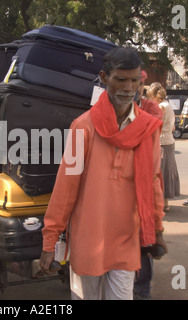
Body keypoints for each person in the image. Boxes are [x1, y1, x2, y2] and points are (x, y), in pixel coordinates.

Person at [40, 47, 167, 300]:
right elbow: (65, 189)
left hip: (126, 239)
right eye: (121, 79)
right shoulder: (82, 127)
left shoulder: (147, 128)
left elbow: (153, 182)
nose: (129, 88)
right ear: (104, 77)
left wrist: (157, 230)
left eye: (135, 80)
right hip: (88, 239)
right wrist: (50, 241)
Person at [133, 71, 163, 300]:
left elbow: (153, 125)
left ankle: (142, 292)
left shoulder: (151, 108)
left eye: (138, 82)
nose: (133, 87)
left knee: (145, 243)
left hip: (147, 182)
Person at [146, 82, 180, 212]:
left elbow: (152, 125)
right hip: (169, 141)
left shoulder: (160, 107)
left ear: (156, 96)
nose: (149, 99)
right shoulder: (168, 105)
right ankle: (165, 203)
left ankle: (160, 203)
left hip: (161, 143)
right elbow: (173, 127)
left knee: (159, 173)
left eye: (150, 96)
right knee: (166, 171)